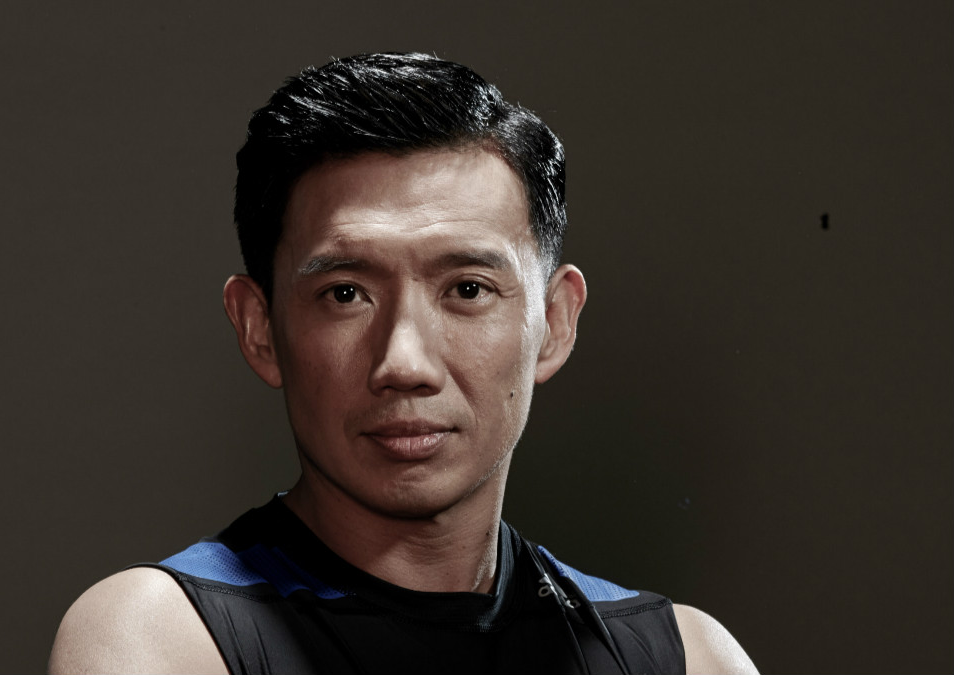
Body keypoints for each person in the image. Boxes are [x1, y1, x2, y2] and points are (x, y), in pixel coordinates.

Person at [49, 52, 757, 675]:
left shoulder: (680, 656)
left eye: (467, 289)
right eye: (345, 293)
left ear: (554, 324)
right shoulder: (161, 638)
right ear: (259, 329)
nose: (404, 361)